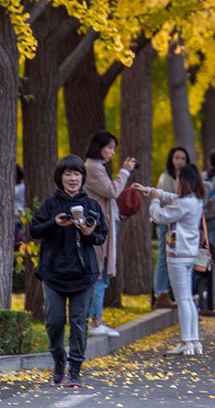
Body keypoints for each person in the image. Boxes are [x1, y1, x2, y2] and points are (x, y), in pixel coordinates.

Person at [30, 155, 108, 388]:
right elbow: (34, 230)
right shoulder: (50, 204)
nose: (73, 178)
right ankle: (58, 360)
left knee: (78, 323)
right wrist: (55, 223)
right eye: (68, 174)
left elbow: (100, 235)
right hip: (53, 274)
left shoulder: (92, 205)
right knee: (54, 322)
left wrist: (87, 232)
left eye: (76, 174)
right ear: (60, 177)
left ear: (83, 177)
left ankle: (75, 370)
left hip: (83, 275)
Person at [134, 164, 206, 355]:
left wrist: (154, 201)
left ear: (184, 180)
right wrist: (149, 190)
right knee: (189, 299)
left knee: (183, 299)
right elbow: (173, 197)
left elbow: (159, 216)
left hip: (178, 255)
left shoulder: (185, 203)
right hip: (190, 254)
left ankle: (186, 341)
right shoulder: (195, 200)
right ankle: (194, 340)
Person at [84, 131, 136, 337]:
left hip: (105, 224)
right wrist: (124, 172)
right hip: (99, 228)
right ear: (99, 147)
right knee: (99, 273)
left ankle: (96, 319)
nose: (112, 152)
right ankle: (95, 323)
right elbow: (112, 191)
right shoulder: (93, 169)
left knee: (103, 273)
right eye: (109, 148)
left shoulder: (98, 168)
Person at [153, 147, 190, 308]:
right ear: (171, 159)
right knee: (163, 256)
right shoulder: (166, 178)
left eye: (183, 158)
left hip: (181, 224)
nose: (180, 161)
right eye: (177, 158)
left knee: (177, 257)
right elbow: (164, 200)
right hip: (167, 223)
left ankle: (173, 292)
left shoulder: (188, 177)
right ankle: (160, 292)